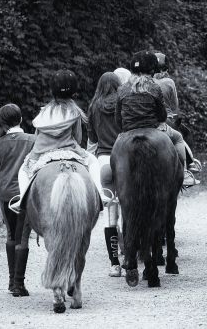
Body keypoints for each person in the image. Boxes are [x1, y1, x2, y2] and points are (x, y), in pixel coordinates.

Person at [9, 69, 111, 214]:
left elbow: (37, 136)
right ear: (73, 91)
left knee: (23, 170)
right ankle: (100, 194)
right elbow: (78, 138)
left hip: (43, 152)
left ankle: (21, 200)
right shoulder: (74, 112)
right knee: (94, 162)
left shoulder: (44, 112)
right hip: (69, 150)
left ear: (53, 90)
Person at [115, 51, 199, 187]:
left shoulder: (122, 89)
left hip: (128, 131)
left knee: (115, 151)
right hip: (153, 128)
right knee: (178, 137)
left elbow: (118, 120)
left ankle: (114, 184)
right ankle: (184, 173)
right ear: (152, 70)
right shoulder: (154, 87)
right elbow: (162, 116)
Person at [0, 103, 35, 297]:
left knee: (10, 235)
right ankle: (19, 283)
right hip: (26, 195)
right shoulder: (32, 139)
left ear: (3, 123)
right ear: (21, 120)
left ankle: (11, 282)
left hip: (6, 195)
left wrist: (4, 186)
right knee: (23, 236)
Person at [87, 72, 123, 277]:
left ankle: (114, 264)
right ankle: (129, 258)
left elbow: (92, 138)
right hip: (124, 156)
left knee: (110, 211)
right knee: (127, 210)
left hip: (103, 160)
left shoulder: (94, 106)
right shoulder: (123, 102)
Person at [154, 52, 202, 175]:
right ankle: (189, 165)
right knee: (183, 135)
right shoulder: (169, 82)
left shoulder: (144, 81)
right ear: (166, 68)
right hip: (166, 119)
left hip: (146, 119)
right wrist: (176, 117)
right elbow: (175, 106)